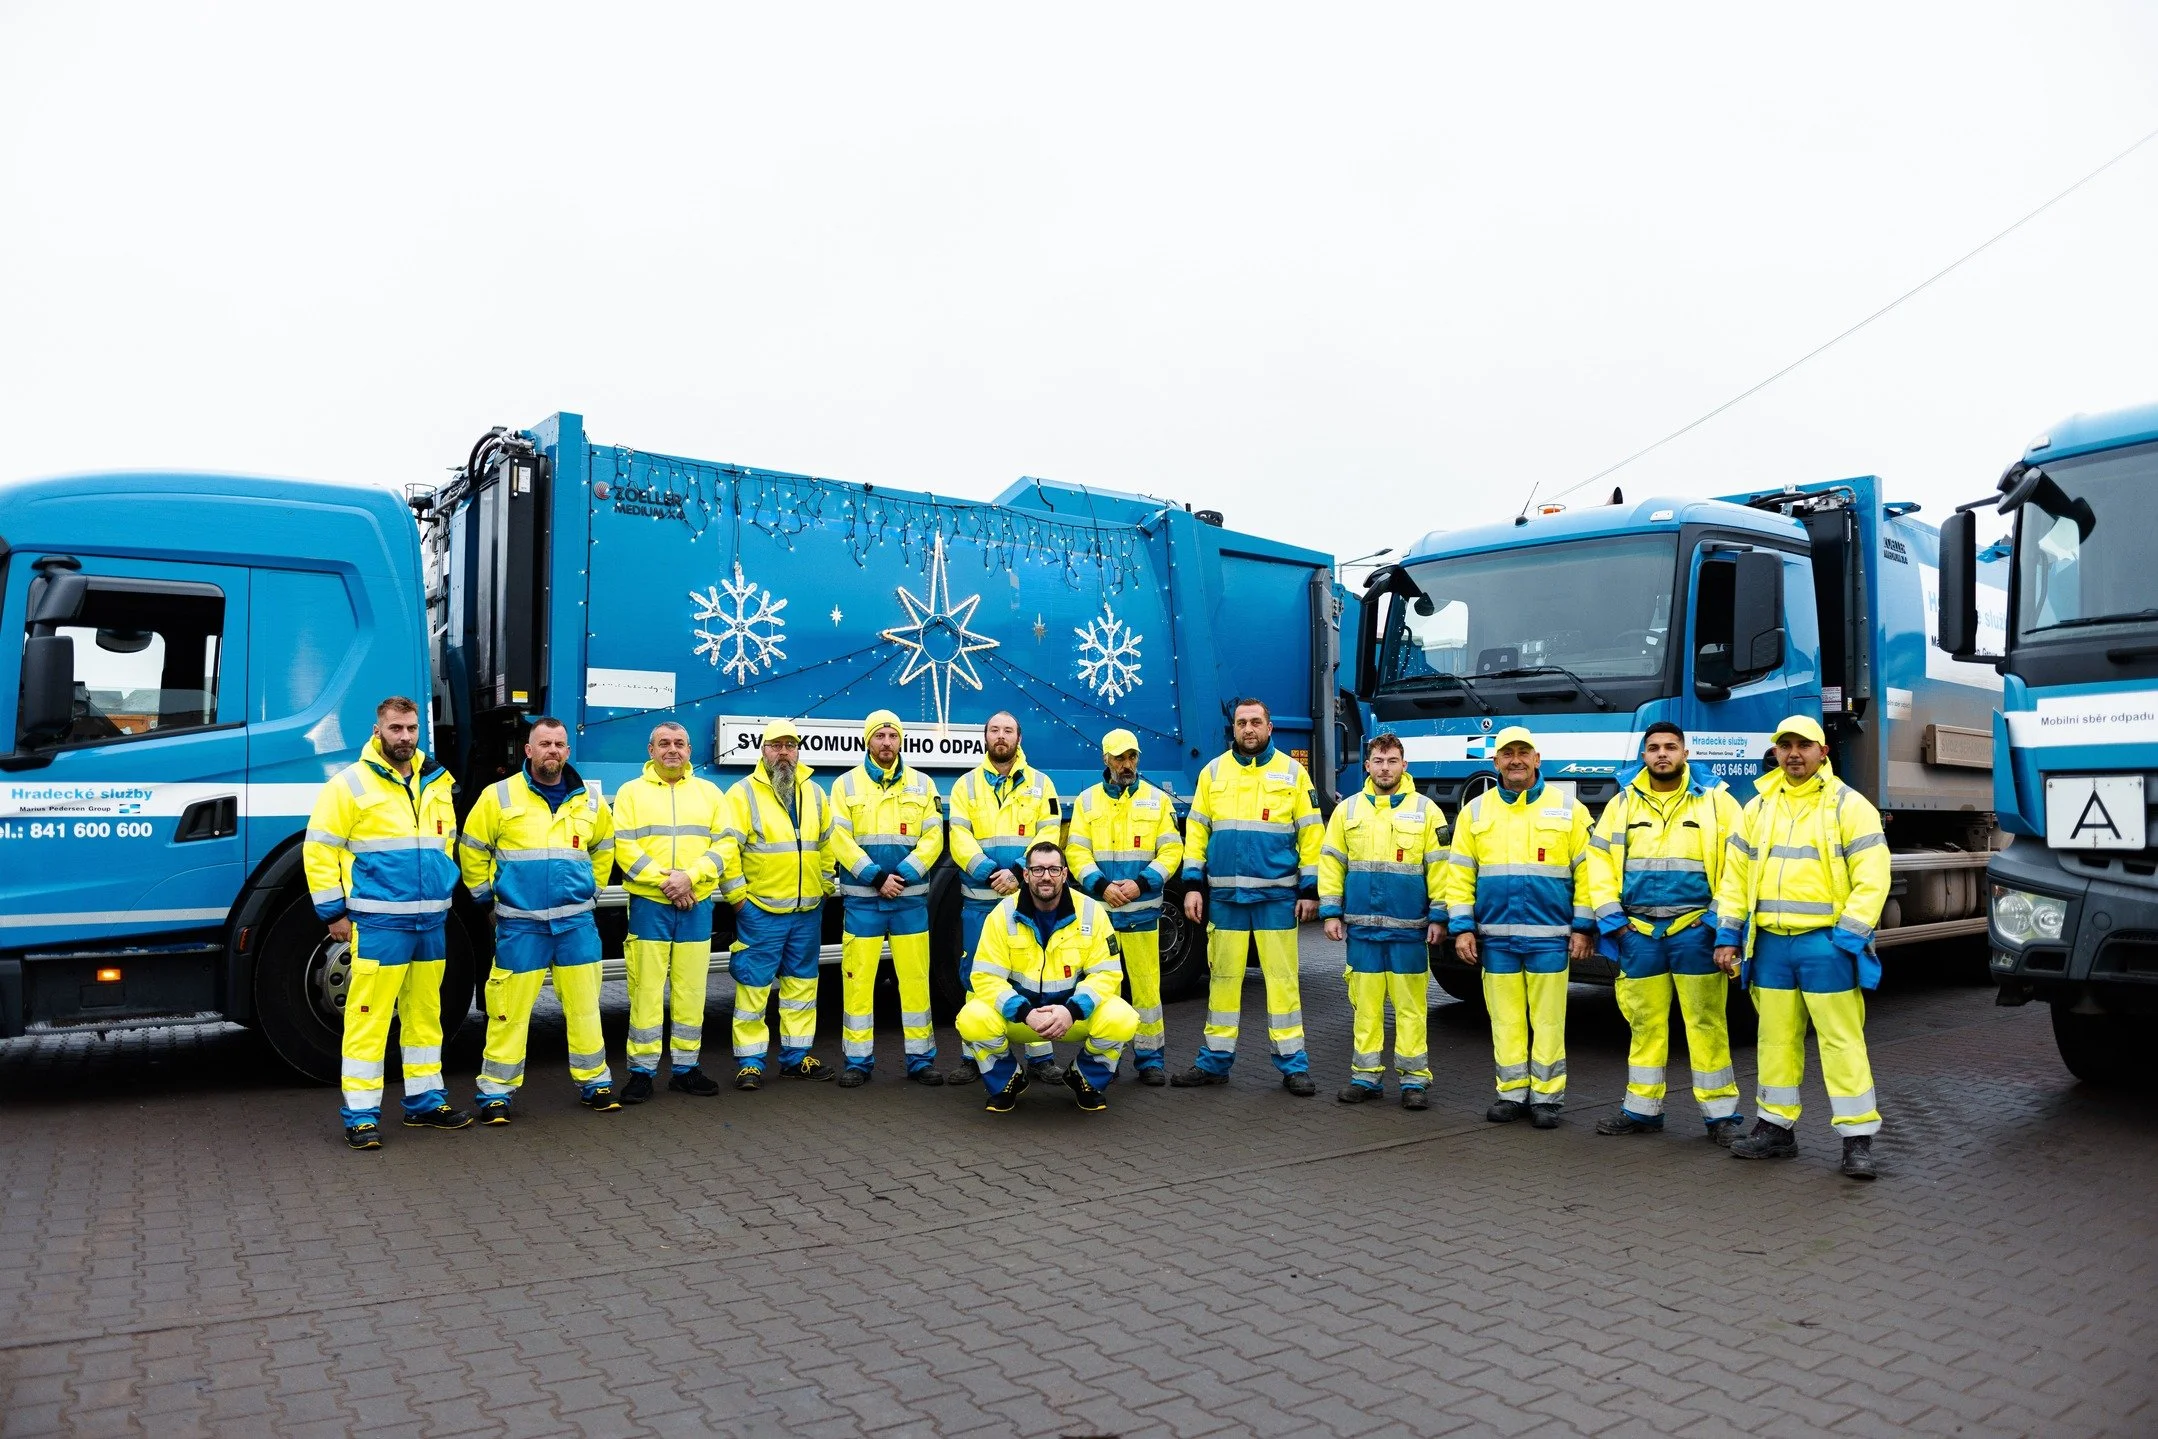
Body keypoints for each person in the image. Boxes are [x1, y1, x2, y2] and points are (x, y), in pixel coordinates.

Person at [1713, 715, 1889, 1180]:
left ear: (1823, 751)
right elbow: (1733, 880)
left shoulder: (1849, 806)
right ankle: (1775, 1128)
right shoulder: (1757, 808)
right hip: (1770, 943)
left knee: (1841, 1042)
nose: (1794, 754)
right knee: (1774, 1041)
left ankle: (1857, 1140)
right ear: (1775, 751)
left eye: (1804, 746)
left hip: (1825, 944)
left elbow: (1873, 879)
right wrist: (1728, 936)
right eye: (1785, 746)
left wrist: (1848, 939)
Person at [303, 696, 470, 1150]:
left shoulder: (436, 781)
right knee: (368, 1021)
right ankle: (360, 1115)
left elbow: (444, 846)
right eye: (396, 729)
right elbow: (319, 851)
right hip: (379, 924)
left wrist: (444, 891)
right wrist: (333, 912)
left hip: (430, 923)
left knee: (425, 1017)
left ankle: (424, 1102)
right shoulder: (349, 785)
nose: (405, 737)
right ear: (378, 731)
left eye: (412, 728)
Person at [1586, 722, 1748, 1143]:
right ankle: (1642, 1110)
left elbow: (1740, 867)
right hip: (1638, 933)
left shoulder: (1718, 802)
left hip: (1694, 932)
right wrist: (1614, 923)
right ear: (1643, 755)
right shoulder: (1622, 804)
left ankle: (1722, 1117)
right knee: (1644, 1024)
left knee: (1707, 1023)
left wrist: (1715, 920)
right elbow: (1598, 863)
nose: (1662, 754)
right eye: (1654, 748)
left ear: (1685, 753)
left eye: (1670, 747)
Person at [459, 717, 621, 1120]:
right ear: (528, 750)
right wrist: (487, 903)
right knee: (508, 1012)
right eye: (544, 743)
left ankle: (595, 1083)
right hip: (520, 926)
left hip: (575, 926)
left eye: (560, 744)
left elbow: (604, 848)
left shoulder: (591, 801)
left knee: (585, 1010)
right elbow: (472, 850)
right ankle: (496, 1093)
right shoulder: (497, 797)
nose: (553, 750)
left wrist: (592, 890)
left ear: (568, 752)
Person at [1171, 698, 1323, 1096]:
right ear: (1233, 729)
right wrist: (1191, 886)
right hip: (1225, 899)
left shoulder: (1293, 774)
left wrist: (1310, 890)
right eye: (1242, 723)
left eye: (1256, 722)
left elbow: (1311, 836)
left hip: (1276, 898)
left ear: (1270, 728)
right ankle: (1214, 1063)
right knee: (1222, 982)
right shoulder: (1213, 772)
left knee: (1282, 983)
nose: (1249, 729)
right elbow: (1197, 834)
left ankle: (1293, 1066)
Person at [1444, 726, 1593, 1129]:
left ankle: (1547, 1099)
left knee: (1548, 1019)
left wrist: (1583, 927)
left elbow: (1588, 874)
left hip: (1551, 938)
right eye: (1507, 753)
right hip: (1496, 939)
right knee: (1506, 1018)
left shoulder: (1570, 810)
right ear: (1495, 762)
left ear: (1537, 759)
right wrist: (1462, 927)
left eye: (1523, 752)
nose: (1515, 760)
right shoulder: (1476, 811)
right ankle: (1510, 1094)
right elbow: (1459, 875)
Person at [954, 841, 1141, 1112]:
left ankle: (1085, 1078)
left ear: (1065, 874)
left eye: (1054, 869)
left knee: (1122, 1019)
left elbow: (1106, 973)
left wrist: (1071, 1010)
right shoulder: (1002, 915)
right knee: (971, 1019)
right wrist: (1026, 1012)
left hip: (1071, 1017)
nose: (1046, 876)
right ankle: (1007, 1079)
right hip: (1021, 1017)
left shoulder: (1091, 912)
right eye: (1038, 869)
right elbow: (984, 976)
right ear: (1026, 874)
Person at [1318, 732, 1448, 1109]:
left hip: (1409, 931)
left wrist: (1439, 916)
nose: (1385, 768)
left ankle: (1414, 1082)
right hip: (1362, 931)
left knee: (1410, 1009)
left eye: (1392, 761)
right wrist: (1329, 912)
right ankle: (1365, 1077)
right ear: (1368, 765)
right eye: (1379, 760)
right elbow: (1331, 863)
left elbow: (1440, 870)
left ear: (1404, 766)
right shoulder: (1348, 811)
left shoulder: (1427, 811)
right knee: (1365, 1007)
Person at [611, 721, 728, 1103]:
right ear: (651, 750)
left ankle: (685, 1068)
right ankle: (642, 1072)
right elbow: (624, 848)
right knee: (645, 990)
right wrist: (670, 884)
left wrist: (690, 878)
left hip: (696, 903)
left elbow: (725, 846)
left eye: (680, 743)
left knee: (692, 990)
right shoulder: (630, 793)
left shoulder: (710, 793)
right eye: (664, 743)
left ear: (690, 751)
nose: (672, 749)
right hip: (651, 904)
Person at [827, 710, 946, 1087]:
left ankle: (920, 1059)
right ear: (867, 740)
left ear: (901, 740)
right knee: (858, 982)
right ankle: (858, 1062)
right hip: (863, 902)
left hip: (909, 902)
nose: (887, 743)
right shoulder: (845, 786)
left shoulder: (924, 785)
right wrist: (876, 876)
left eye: (893, 736)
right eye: (879, 736)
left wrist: (904, 876)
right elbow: (839, 840)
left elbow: (933, 839)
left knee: (915, 981)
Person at [717, 719, 837, 1088]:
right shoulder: (741, 793)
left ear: (798, 751)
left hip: (806, 912)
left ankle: (796, 1057)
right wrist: (739, 901)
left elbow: (827, 843)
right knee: (753, 987)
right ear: (762, 750)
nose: (783, 752)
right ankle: (750, 1062)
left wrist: (827, 886)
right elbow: (727, 849)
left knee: (802, 987)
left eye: (789, 745)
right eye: (775, 745)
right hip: (761, 912)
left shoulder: (815, 793)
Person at [945, 711, 1063, 1085]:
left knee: (1035, 974)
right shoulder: (965, 786)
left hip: (1025, 899)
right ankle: (973, 1055)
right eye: (994, 730)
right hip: (981, 899)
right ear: (985, 737)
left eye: (1008, 730)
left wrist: (1016, 871)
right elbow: (958, 837)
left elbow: (1048, 834)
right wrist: (988, 872)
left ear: (1018, 738)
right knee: (977, 976)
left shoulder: (1042, 784)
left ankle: (1040, 1056)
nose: (1001, 736)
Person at [1065, 728, 1184, 1084]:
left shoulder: (1157, 800)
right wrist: (1101, 887)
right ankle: (1106, 1057)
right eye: (1119, 757)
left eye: (1131, 757)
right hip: (1100, 919)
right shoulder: (1087, 802)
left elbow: (1171, 850)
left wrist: (1139, 884)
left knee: (1147, 990)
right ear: (1105, 759)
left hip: (1143, 913)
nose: (1126, 764)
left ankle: (1150, 1060)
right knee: (1104, 990)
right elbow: (1076, 851)